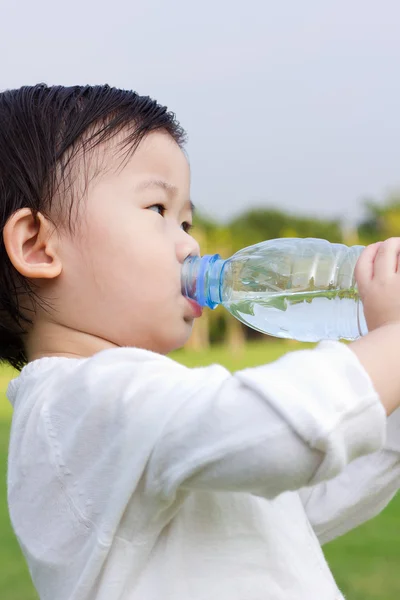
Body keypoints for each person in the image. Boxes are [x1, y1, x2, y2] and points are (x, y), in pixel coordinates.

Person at [2, 84, 400, 600]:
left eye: (186, 220)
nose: (189, 242)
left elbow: (289, 506)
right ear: (38, 245)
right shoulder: (83, 400)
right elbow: (278, 438)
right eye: (157, 210)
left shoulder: (135, 405)